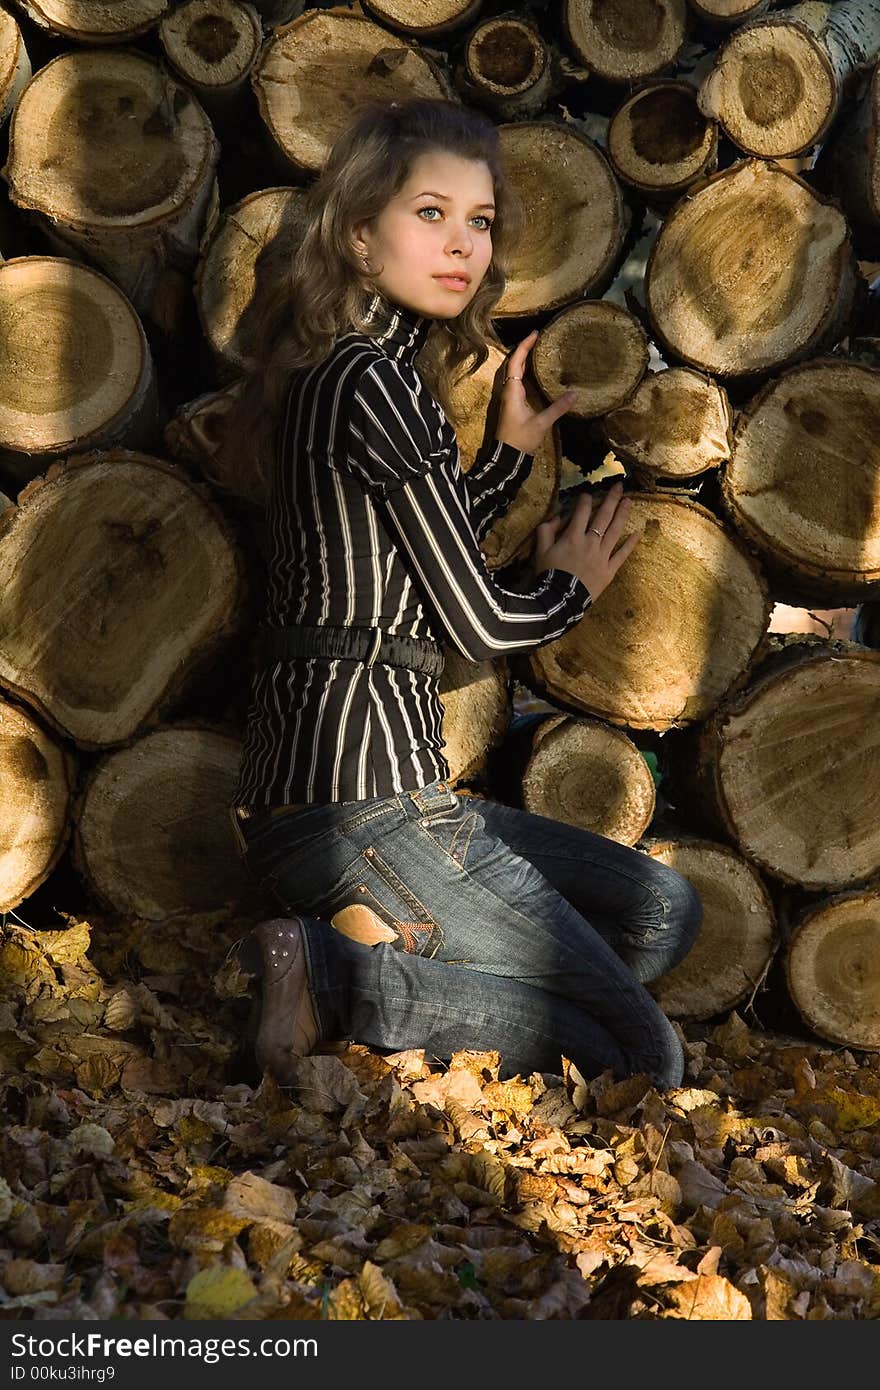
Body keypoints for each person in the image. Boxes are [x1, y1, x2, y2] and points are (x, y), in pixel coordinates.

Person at [224, 97, 701, 1094]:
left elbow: (399, 542)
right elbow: (478, 620)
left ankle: (395, 955)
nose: (462, 246)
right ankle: (340, 980)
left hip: (355, 805)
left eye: (478, 222)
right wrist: (565, 590)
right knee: (641, 1053)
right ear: (358, 235)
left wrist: (503, 459)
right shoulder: (377, 384)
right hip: (366, 808)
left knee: (661, 911)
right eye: (429, 214)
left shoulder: (345, 375)